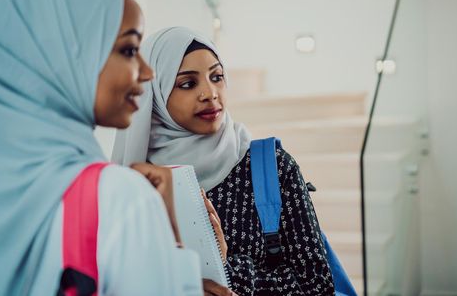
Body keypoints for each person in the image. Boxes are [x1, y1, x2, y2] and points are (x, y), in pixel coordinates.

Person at [0, 0, 211, 295]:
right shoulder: (118, 198)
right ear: (58, 57)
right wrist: (171, 243)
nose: (147, 73)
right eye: (129, 50)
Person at [112, 27, 336, 295]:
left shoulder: (271, 167)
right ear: (154, 95)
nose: (210, 93)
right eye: (187, 83)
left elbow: (317, 285)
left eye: (217, 77)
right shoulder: (135, 181)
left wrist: (228, 272)